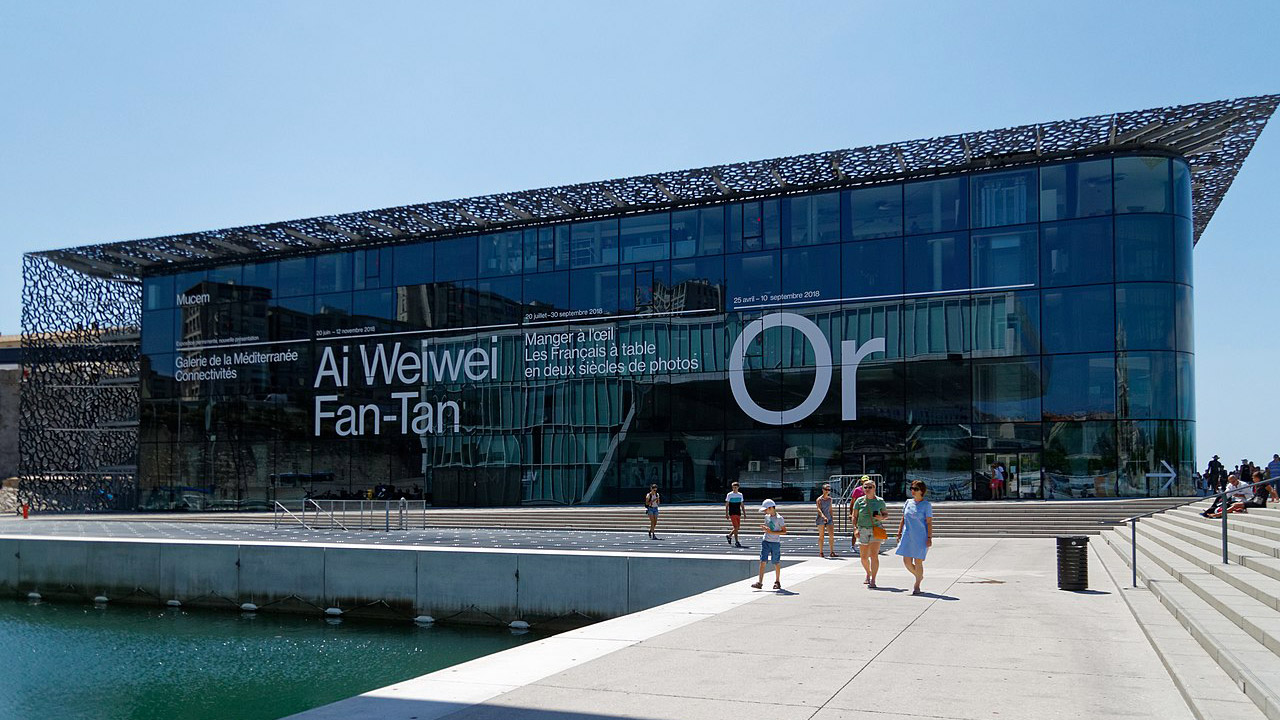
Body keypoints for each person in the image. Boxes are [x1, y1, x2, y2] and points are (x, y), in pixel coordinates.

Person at [896, 480, 934, 595]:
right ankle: (919, 576)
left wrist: (929, 537)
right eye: (911, 488)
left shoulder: (926, 505)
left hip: (921, 536)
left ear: (922, 491)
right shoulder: (908, 502)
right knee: (906, 561)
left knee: (918, 561)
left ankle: (917, 585)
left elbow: (929, 523)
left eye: (916, 489)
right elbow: (903, 518)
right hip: (907, 535)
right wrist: (899, 532)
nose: (913, 491)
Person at [851, 477, 888, 588]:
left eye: (870, 487)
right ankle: (868, 572)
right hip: (862, 529)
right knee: (863, 557)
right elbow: (854, 516)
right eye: (865, 487)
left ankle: (873, 579)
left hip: (875, 529)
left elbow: (886, 514)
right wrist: (855, 528)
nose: (867, 489)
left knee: (873, 555)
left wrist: (881, 517)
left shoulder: (879, 501)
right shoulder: (859, 501)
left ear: (874, 488)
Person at [751, 499, 787, 590]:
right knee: (762, 560)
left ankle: (777, 581)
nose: (764, 512)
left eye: (766, 509)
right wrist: (766, 529)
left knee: (776, 562)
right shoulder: (767, 517)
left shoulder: (779, 518)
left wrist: (771, 532)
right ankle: (760, 582)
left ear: (771, 508)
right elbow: (768, 527)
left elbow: (784, 531)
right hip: (766, 541)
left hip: (775, 542)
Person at [815, 483, 838, 558]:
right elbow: (818, 509)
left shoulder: (830, 499)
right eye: (826, 489)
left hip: (829, 518)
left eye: (829, 490)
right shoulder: (819, 499)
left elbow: (830, 509)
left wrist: (832, 518)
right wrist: (823, 516)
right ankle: (821, 552)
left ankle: (832, 551)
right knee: (821, 536)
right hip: (821, 518)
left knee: (831, 535)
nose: (827, 491)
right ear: (823, 490)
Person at [849, 476, 868, 552]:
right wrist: (851, 513)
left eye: (866, 481)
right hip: (858, 512)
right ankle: (852, 546)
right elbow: (852, 502)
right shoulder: (857, 490)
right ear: (861, 482)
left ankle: (866, 546)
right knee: (856, 529)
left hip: (866, 513)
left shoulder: (870, 489)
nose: (865, 482)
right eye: (864, 481)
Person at [724, 482, 745, 547]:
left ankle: (729, 536)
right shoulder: (729, 495)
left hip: (738, 512)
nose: (734, 489)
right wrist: (726, 513)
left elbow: (742, 505)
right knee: (736, 527)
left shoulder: (740, 495)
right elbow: (727, 505)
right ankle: (736, 541)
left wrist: (744, 513)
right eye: (733, 487)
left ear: (738, 487)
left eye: (735, 487)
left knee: (737, 528)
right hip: (732, 512)